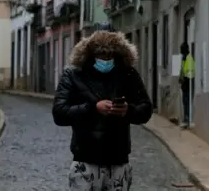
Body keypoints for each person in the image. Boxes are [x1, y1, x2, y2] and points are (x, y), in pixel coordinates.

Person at [52, 30, 153, 191]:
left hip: (118, 162)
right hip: (85, 162)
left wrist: (128, 110)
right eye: (101, 55)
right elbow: (59, 113)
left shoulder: (128, 74)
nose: (105, 60)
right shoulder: (73, 75)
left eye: (109, 56)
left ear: (117, 55)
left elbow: (146, 109)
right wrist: (92, 108)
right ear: (90, 54)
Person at [178, 42, 194, 128]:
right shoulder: (184, 58)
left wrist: (184, 80)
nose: (180, 51)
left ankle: (187, 118)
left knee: (187, 102)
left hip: (188, 84)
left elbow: (189, 73)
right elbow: (183, 70)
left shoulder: (189, 58)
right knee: (185, 101)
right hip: (185, 84)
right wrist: (180, 78)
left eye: (181, 49)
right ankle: (186, 118)